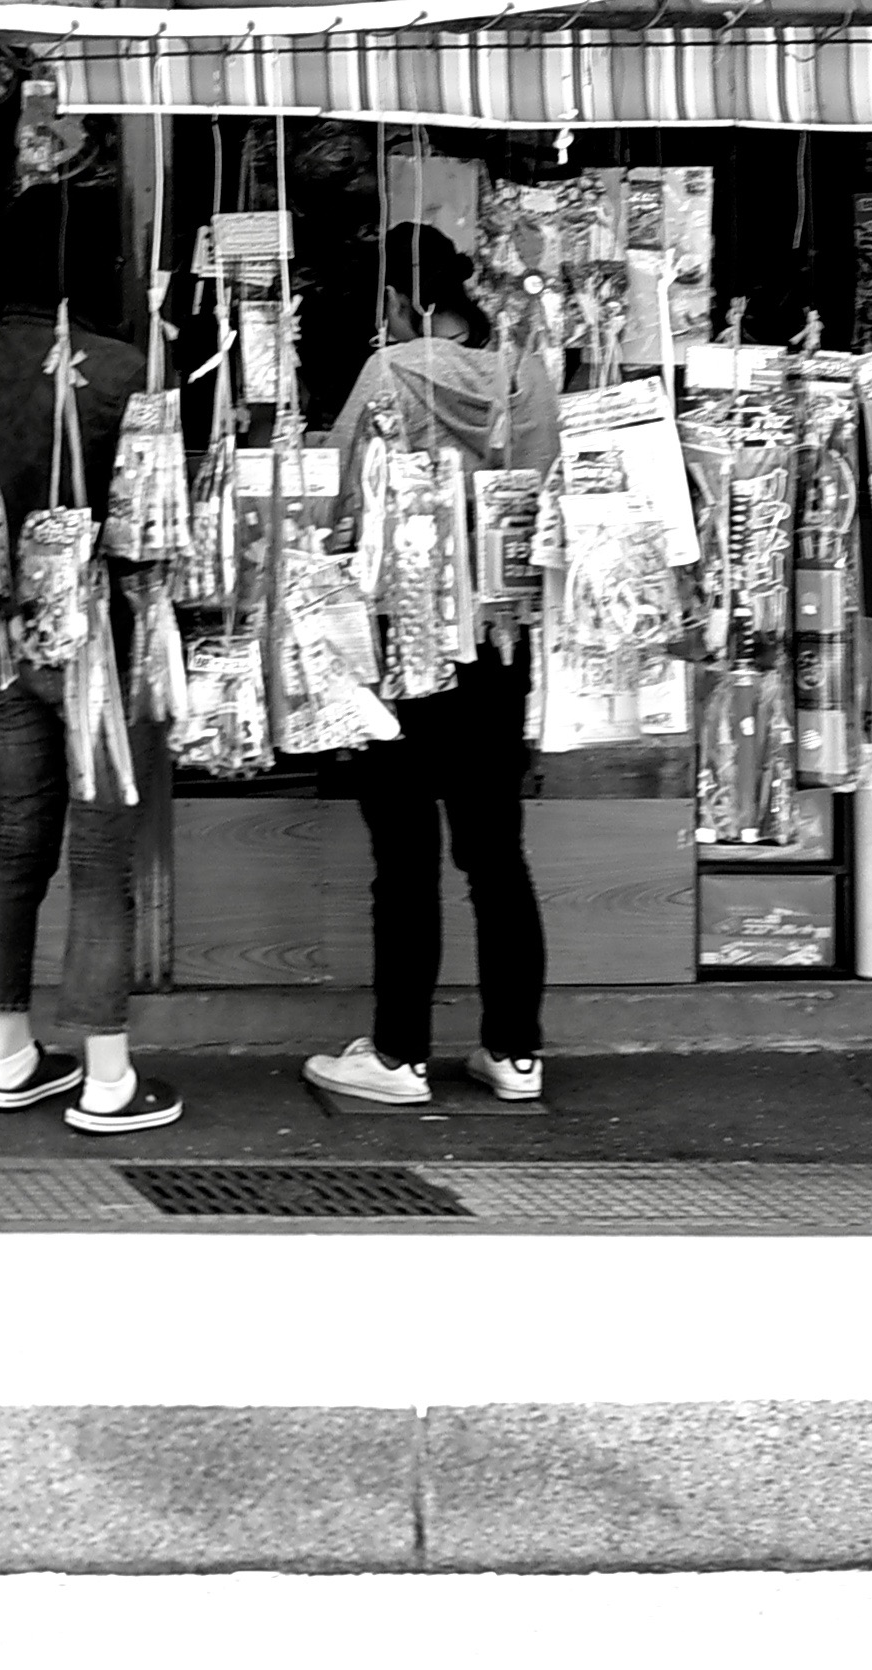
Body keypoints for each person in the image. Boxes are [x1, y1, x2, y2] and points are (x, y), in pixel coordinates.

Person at [304, 222, 561, 1107]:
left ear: (396, 298)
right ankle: (514, 1051)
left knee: (404, 853)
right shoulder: (527, 375)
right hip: (499, 639)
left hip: (404, 640)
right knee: (495, 852)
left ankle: (398, 1053)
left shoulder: (390, 370)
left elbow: (339, 497)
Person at [0, 188, 182, 1136]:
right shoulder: (124, 368)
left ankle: (10, 1056)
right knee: (96, 858)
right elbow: (150, 523)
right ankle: (106, 1078)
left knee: (17, 843)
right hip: (96, 641)